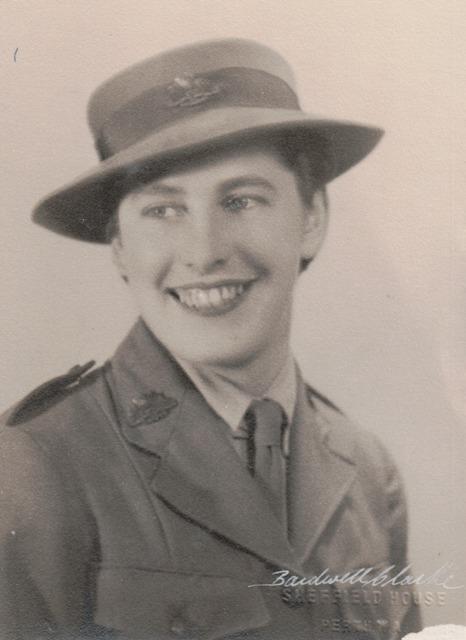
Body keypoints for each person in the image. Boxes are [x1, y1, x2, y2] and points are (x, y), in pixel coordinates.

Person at [0, 38, 422, 639]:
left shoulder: (367, 469)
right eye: (163, 210)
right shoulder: (32, 461)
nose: (204, 253)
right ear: (119, 246)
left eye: (241, 200)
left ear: (311, 219)